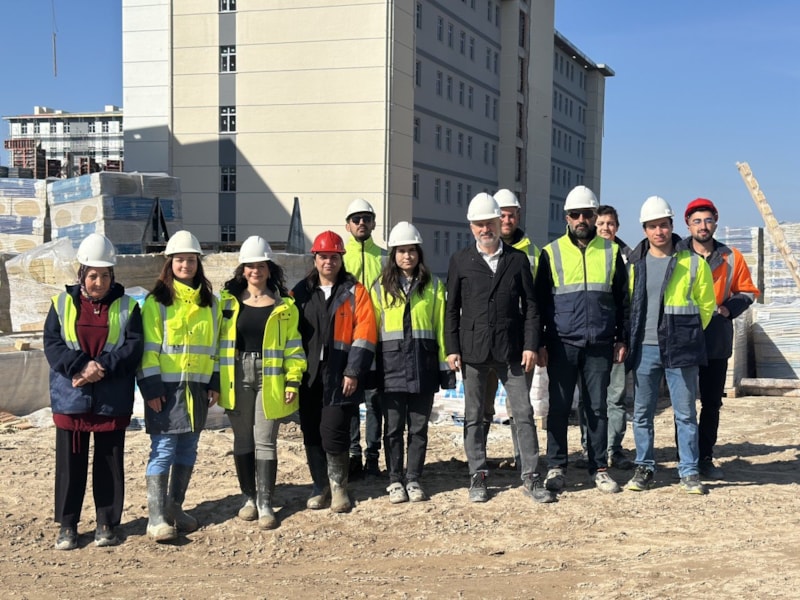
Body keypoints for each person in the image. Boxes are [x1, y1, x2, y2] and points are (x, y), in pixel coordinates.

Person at [445, 193, 554, 504]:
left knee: (523, 414)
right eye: (479, 224)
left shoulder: (517, 260)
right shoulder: (460, 261)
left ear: (498, 223)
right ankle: (477, 475)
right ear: (471, 227)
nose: (486, 229)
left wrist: (530, 344)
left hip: (512, 350)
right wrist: (453, 348)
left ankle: (531, 476)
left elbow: (531, 307)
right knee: (474, 416)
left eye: (490, 223)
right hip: (474, 351)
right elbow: (451, 309)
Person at [44, 234, 143, 550]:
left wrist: (100, 366)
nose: (99, 282)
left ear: (113, 276)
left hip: (111, 398)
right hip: (71, 398)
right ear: (81, 275)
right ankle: (68, 526)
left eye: (105, 275)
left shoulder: (128, 307)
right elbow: (52, 345)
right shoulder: (61, 304)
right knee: (69, 465)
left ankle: (106, 524)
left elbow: (133, 347)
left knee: (109, 463)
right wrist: (81, 366)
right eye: (93, 275)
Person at [535, 186, 629, 494]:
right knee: (559, 408)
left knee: (597, 408)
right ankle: (556, 466)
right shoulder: (551, 253)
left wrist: (621, 338)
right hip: (562, 344)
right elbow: (539, 303)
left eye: (587, 214)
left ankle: (599, 467)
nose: (581, 220)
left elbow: (623, 301)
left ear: (594, 216)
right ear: (567, 218)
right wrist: (540, 343)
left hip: (599, 343)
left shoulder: (611, 252)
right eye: (575, 215)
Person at [625, 197, 716, 495]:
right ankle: (644, 467)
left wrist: (687, 335)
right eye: (652, 226)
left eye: (663, 225)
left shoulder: (693, 262)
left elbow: (707, 305)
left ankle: (689, 471)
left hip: (680, 348)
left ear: (672, 226)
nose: (659, 231)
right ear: (644, 229)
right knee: (642, 413)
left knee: (685, 413)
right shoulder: (634, 265)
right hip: (645, 348)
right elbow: (628, 306)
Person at [218, 236, 307, 529]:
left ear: (269, 269)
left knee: (265, 440)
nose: (255, 271)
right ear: (242, 269)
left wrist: (293, 381)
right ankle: (249, 499)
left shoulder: (285, 306)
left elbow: (294, 346)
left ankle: (266, 503)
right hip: (237, 375)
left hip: (271, 377)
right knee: (243, 439)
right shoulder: (227, 303)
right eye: (250, 266)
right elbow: (217, 343)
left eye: (261, 266)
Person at [138, 230, 220, 541]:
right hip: (165, 390)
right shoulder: (156, 302)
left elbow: (214, 348)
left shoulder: (210, 304)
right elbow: (148, 349)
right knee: (163, 449)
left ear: (199, 263)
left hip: (196, 389)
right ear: (169, 263)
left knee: (188, 448)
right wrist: (151, 388)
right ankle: (156, 518)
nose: (186, 265)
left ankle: (174, 507)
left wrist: (214, 382)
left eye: (191, 260)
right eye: (180, 260)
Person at [292, 230, 377, 513]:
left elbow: (365, 334)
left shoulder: (355, 292)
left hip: (340, 374)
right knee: (311, 432)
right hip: (308, 375)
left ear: (341, 259)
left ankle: (339, 487)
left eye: (334, 257)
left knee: (335, 431)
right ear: (315, 259)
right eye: (323, 256)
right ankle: (320, 486)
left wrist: (353, 371)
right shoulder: (300, 293)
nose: (328, 262)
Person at [370, 222, 455, 503]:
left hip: (423, 367)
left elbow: (441, 328)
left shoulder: (433, 286)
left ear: (419, 253)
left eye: (412, 250)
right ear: (393, 254)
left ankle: (414, 478)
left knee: (418, 429)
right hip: (390, 368)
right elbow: (372, 332)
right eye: (401, 251)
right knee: (393, 429)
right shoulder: (379, 288)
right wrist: (371, 370)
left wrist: (445, 369)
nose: (407, 256)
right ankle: (395, 480)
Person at [683, 198, 759, 479]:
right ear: (688, 225)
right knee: (684, 402)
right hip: (683, 335)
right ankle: (686, 457)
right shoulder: (678, 255)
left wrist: (728, 309)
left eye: (708, 220)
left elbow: (748, 291)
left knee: (711, 402)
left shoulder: (731, 257)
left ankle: (705, 456)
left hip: (716, 335)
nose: (703, 226)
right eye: (697, 221)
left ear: (715, 222)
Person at [482, 188, 541, 469]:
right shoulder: (479, 251)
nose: (507, 220)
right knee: (482, 406)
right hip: (484, 342)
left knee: (519, 407)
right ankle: (478, 461)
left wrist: (535, 342)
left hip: (518, 343)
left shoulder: (533, 253)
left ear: (518, 216)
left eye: (511, 215)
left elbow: (537, 303)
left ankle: (522, 460)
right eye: (502, 215)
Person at [574, 205, 636, 471]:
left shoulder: (629, 257)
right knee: (589, 397)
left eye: (610, 224)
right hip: (592, 339)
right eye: (600, 223)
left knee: (616, 396)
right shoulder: (586, 254)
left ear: (617, 227)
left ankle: (613, 448)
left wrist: (624, 336)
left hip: (617, 337)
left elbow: (629, 300)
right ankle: (589, 447)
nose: (605, 228)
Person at [342, 198, 385, 479]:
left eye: (366, 218)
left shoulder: (385, 257)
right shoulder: (339, 257)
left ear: (373, 223)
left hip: (378, 340)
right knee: (349, 401)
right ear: (347, 225)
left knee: (374, 403)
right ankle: (353, 455)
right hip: (348, 340)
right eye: (356, 219)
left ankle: (372, 458)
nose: (361, 223)